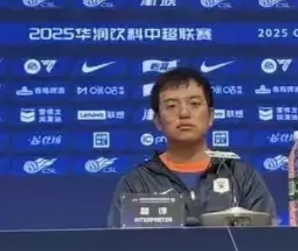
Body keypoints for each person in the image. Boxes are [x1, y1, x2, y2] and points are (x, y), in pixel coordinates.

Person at [107, 67, 276, 227]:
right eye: (171, 106)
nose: (184, 113)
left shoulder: (241, 177)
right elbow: (120, 244)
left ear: (210, 116)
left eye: (194, 104)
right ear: (158, 121)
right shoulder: (137, 183)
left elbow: (265, 239)